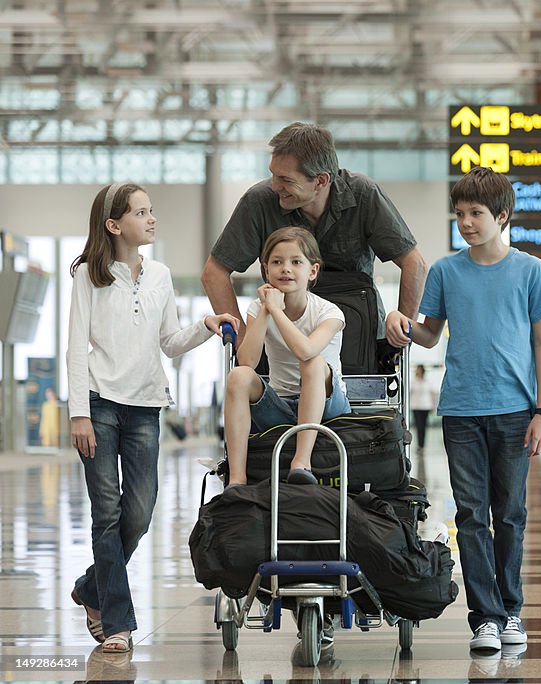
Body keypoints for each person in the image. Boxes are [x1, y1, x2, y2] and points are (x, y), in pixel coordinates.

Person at [385, 166, 541, 652]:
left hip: (514, 411)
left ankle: (512, 612)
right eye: (459, 213)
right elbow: (428, 334)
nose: (465, 222)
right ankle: (485, 616)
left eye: (476, 213)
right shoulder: (445, 271)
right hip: (461, 410)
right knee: (470, 515)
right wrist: (401, 322)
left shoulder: (531, 271)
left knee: (510, 514)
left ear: (501, 215)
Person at [67, 183, 239, 654]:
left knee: (138, 514)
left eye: (151, 210)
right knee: (107, 515)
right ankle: (117, 622)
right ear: (114, 225)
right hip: (99, 405)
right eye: (141, 212)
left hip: (145, 406)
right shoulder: (88, 274)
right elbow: (75, 348)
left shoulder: (160, 274)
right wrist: (78, 413)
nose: (151, 218)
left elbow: (169, 342)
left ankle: (89, 588)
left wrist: (203, 328)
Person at [201, 121, 427, 345]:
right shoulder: (259, 202)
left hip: (357, 338)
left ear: (321, 181)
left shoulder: (363, 195)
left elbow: (415, 264)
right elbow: (214, 273)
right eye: (273, 175)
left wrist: (402, 331)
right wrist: (243, 339)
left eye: (285, 180)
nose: (274, 186)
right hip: (281, 342)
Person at [223, 227, 351, 486]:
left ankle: (301, 462)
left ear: (312, 271)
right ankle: (237, 477)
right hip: (280, 404)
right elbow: (247, 361)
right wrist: (265, 313)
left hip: (328, 405)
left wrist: (275, 310)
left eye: (296, 262)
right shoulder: (258, 309)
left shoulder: (329, 312)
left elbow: (305, 351)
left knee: (313, 363)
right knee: (238, 376)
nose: (286, 269)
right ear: (265, 270)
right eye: (277, 262)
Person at [410, 364, 437, 453]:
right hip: (416, 406)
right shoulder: (413, 382)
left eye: (418, 370)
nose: (416, 371)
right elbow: (409, 393)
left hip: (426, 406)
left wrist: (434, 406)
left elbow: (432, 394)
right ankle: (419, 445)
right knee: (418, 426)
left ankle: (422, 445)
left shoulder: (428, 382)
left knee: (423, 427)